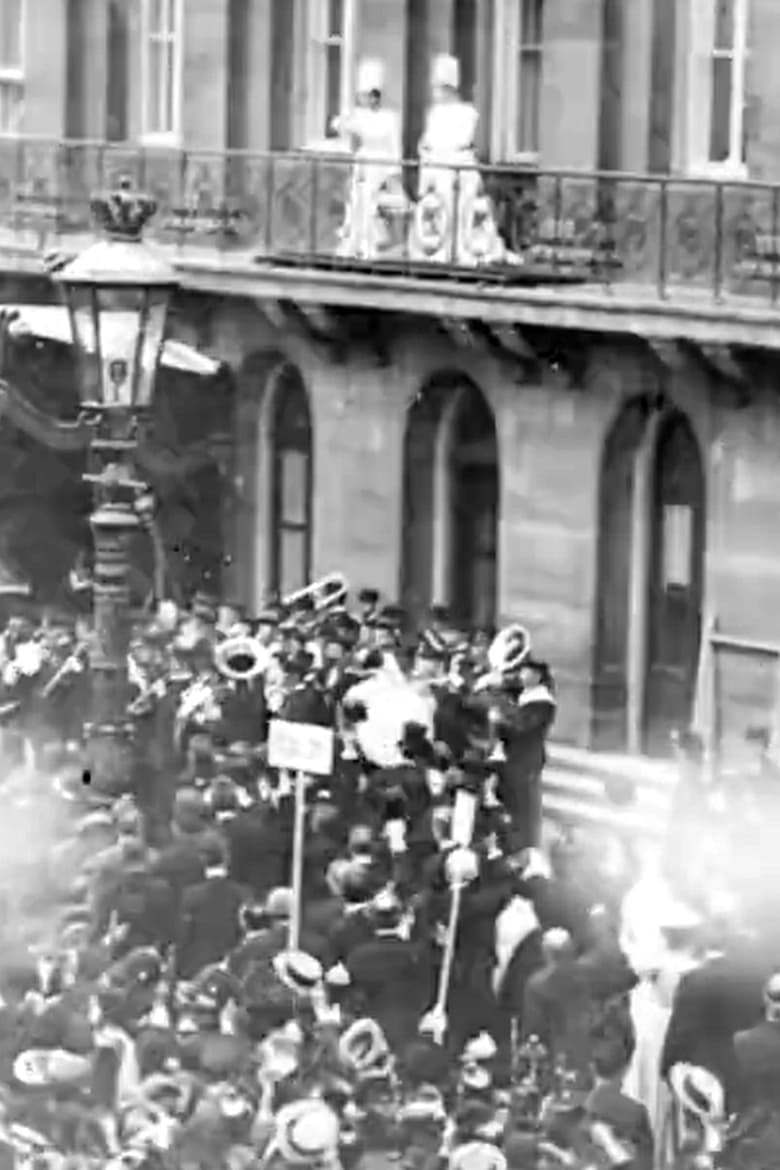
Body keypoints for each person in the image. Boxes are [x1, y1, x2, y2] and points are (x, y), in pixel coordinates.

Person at [409, 53, 510, 267]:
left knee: (462, 210)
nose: (435, 92)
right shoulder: (434, 113)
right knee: (436, 211)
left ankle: (461, 249)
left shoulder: (467, 113)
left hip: (457, 168)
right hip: (436, 168)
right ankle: (437, 249)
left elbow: (461, 142)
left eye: (438, 88)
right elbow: (428, 142)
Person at [334, 58, 406, 261]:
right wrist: (347, 116)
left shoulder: (389, 117)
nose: (364, 100)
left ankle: (371, 246)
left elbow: (395, 146)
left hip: (380, 164)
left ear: (375, 97)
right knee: (357, 203)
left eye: (367, 96)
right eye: (362, 96)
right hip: (364, 162)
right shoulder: (360, 115)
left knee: (371, 204)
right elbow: (339, 124)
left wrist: (394, 175)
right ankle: (355, 245)